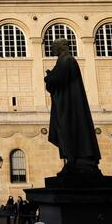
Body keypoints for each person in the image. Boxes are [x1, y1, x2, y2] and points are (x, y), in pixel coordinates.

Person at [45, 38, 102, 178]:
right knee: (66, 131)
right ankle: (73, 160)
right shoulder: (64, 61)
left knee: (69, 130)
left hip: (69, 107)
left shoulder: (67, 60)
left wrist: (49, 78)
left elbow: (59, 80)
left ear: (60, 47)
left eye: (53, 46)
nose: (51, 49)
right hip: (65, 104)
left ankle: (76, 160)